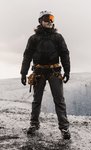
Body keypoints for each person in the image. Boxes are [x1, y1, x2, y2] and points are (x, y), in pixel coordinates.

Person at [20, 11, 71, 139]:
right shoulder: (33, 39)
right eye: (47, 18)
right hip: (39, 72)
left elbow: (65, 54)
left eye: (52, 18)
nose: (50, 21)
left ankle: (64, 128)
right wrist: (23, 73)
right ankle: (34, 124)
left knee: (59, 100)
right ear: (40, 21)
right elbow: (27, 56)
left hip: (55, 72)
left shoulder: (58, 37)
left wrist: (67, 70)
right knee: (37, 100)